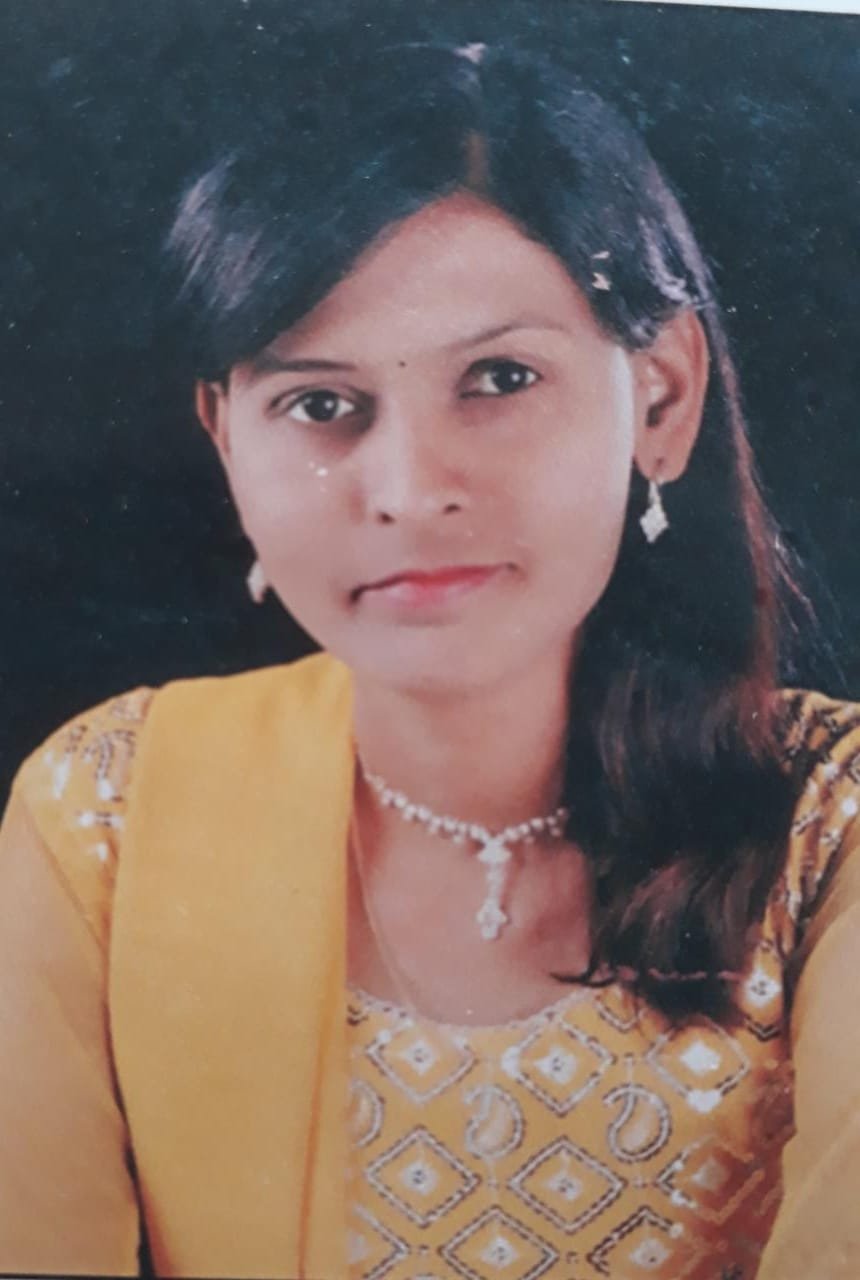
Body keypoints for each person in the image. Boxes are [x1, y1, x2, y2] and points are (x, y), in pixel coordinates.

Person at [1, 35, 858, 1280]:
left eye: (498, 378)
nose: (407, 490)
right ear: (227, 440)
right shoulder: (106, 813)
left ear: (660, 399)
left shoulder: (829, 821)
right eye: (318, 404)